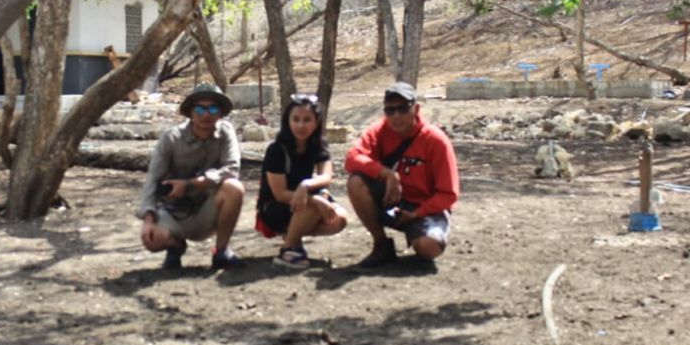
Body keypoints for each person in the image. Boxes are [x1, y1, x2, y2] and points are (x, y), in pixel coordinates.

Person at [345, 82, 458, 268]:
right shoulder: (379, 131)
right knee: (356, 182)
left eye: (402, 109)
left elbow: (449, 194)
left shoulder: (436, 141)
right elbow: (352, 158)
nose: (396, 116)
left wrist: (416, 213)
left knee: (429, 248)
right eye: (390, 110)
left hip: (424, 208)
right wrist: (387, 174)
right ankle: (381, 244)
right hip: (392, 203)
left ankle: (417, 237)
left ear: (416, 108)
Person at [138, 83, 244, 270]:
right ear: (190, 112)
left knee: (234, 187)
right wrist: (148, 218)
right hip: (174, 212)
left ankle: (221, 251)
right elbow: (152, 179)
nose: (206, 114)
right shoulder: (171, 138)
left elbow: (232, 168)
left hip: (208, 211)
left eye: (212, 108)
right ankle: (176, 246)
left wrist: (189, 184)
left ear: (220, 112)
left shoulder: (226, 132)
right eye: (200, 108)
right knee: (153, 239)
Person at [254, 93, 347, 269]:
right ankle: (288, 249)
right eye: (295, 119)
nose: (300, 125)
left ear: (316, 122)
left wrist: (307, 185)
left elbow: (326, 176)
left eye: (307, 120)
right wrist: (316, 199)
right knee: (311, 204)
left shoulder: (319, 144)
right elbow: (280, 194)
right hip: (274, 207)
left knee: (339, 219)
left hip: (304, 199)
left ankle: (293, 235)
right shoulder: (276, 150)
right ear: (287, 121)